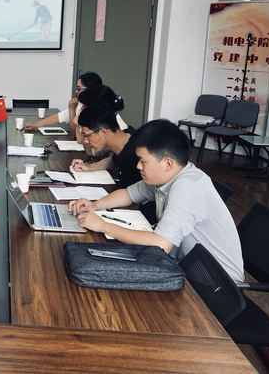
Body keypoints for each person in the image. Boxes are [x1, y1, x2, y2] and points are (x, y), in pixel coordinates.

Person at [68, 119, 244, 282]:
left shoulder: (188, 186)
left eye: (143, 161)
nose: (138, 166)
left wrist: (103, 226)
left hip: (216, 284)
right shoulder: (167, 176)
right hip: (185, 267)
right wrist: (95, 205)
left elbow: (160, 244)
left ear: (167, 163)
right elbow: (129, 194)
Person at [70, 104, 140, 189]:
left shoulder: (137, 154)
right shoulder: (124, 137)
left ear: (103, 132)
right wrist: (90, 167)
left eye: (86, 135)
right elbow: (114, 160)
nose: (85, 141)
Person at [25, 71, 102, 135]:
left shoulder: (97, 109)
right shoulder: (81, 104)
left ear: (90, 90)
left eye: (79, 89)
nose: (76, 91)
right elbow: (60, 116)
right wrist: (35, 124)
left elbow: (75, 135)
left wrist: (72, 110)